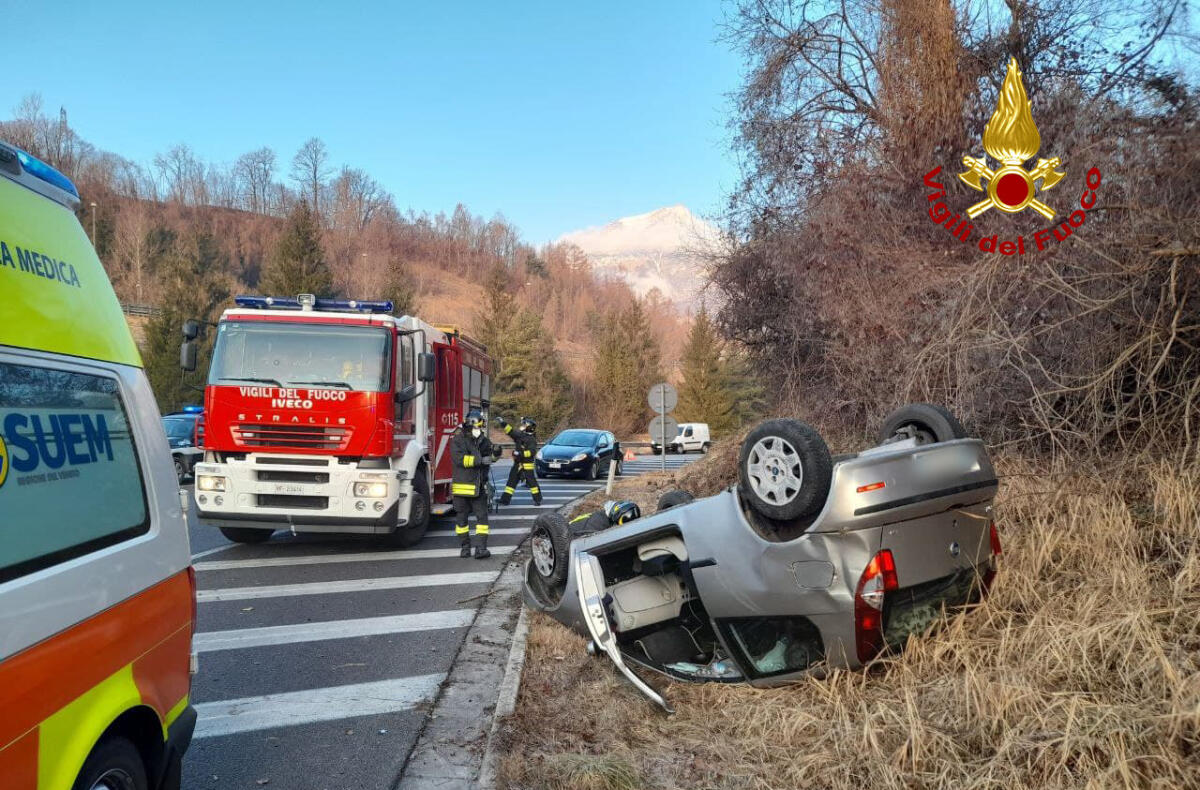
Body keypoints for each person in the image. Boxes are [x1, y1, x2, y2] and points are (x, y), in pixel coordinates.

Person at [451, 408, 497, 558]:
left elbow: (490, 458)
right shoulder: (458, 439)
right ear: (472, 423)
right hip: (464, 488)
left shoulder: (483, 440)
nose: (481, 428)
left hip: (478, 487)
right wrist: (480, 460)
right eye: (479, 425)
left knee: (482, 519)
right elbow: (459, 459)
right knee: (461, 520)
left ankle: (481, 549)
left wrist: (496, 453)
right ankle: (465, 548)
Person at [497, 416, 541, 505]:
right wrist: (502, 423)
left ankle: (537, 500)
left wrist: (520, 454)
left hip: (527, 466)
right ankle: (505, 500)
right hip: (518, 464)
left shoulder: (532, 440)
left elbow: (532, 452)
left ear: (529, 427)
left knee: (532, 483)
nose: (522, 426)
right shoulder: (520, 436)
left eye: (524, 425)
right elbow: (511, 431)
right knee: (511, 482)